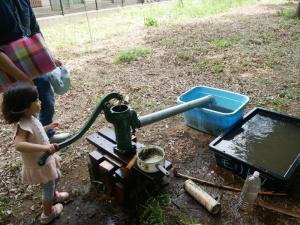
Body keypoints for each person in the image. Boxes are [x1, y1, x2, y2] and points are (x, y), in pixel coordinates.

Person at [0, 0, 69, 142]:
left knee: (46, 96)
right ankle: (33, 142)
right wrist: (20, 76)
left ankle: (47, 135)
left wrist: (49, 56)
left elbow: (34, 29)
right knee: (25, 107)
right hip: (8, 67)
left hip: (32, 60)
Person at [1, 83, 69, 224]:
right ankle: (48, 213)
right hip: (40, 163)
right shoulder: (23, 126)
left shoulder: (31, 118)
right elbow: (19, 145)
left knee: (55, 177)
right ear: (25, 107)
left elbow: (36, 131)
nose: (40, 102)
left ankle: (54, 196)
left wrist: (48, 127)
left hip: (46, 159)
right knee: (48, 186)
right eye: (36, 100)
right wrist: (44, 148)